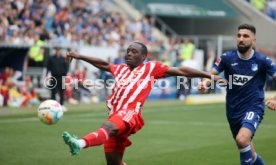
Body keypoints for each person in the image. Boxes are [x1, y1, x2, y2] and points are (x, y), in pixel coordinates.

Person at [63, 41, 222, 165]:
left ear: (144, 56)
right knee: (113, 162)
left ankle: (79, 143)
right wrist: (80, 56)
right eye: (128, 51)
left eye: (134, 52)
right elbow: (103, 64)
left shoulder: (152, 68)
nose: (129, 54)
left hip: (130, 114)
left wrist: (209, 76)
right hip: (115, 115)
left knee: (107, 127)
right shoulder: (120, 69)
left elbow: (182, 71)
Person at [198, 24, 276, 165]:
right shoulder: (227, 58)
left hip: (254, 107)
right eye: (239, 35)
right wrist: (204, 83)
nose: (241, 39)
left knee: (242, 139)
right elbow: (211, 75)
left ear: (253, 40)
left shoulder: (262, 61)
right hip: (233, 110)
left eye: (246, 36)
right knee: (247, 150)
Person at [46, 47, 69, 111]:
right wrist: (47, 75)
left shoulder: (64, 59)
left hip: (62, 77)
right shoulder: (51, 58)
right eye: (57, 50)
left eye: (59, 50)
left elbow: (66, 68)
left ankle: (62, 105)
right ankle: (53, 106)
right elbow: (48, 68)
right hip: (53, 77)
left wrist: (66, 77)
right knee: (53, 92)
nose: (58, 51)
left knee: (62, 92)